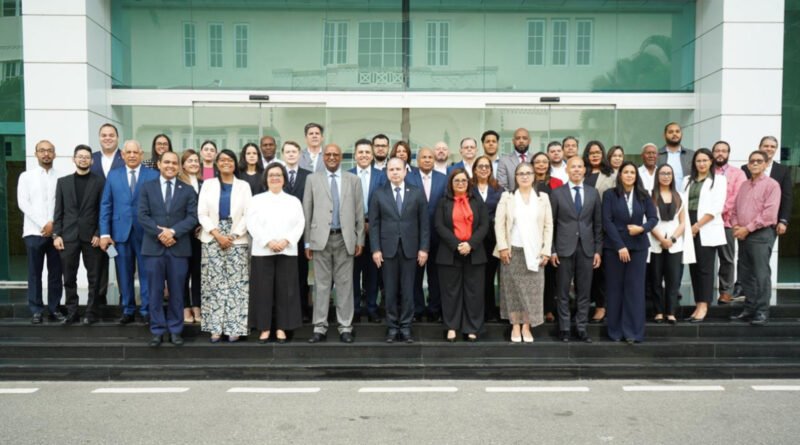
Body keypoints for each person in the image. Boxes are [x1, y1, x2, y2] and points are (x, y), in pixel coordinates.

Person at [303, 143, 365, 344]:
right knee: (321, 285)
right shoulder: (312, 179)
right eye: (328, 154)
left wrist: (359, 239)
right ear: (323, 157)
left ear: (341, 157)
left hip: (345, 239)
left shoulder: (353, 180)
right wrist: (307, 243)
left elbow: (359, 212)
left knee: (345, 285)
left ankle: (345, 327)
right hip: (320, 239)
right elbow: (307, 211)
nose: (331, 157)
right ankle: (319, 327)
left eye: (335, 154)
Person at [138, 151, 199, 347]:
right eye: (167, 162)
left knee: (177, 292)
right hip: (153, 248)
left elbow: (193, 217)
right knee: (155, 292)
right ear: (159, 164)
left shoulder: (187, 190)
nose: (170, 166)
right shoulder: (147, 187)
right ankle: (157, 330)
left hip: (178, 248)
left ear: (178, 166)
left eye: (174, 163)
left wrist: (173, 232)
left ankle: (175, 330)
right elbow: (142, 215)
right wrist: (160, 234)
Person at [370, 157, 430, 343]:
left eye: (398, 169)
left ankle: (405, 327)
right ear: (387, 172)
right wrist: (375, 249)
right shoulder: (379, 193)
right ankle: (392, 327)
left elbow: (424, 223)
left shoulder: (417, 193)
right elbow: (374, 225)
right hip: (387, 250)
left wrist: (424, 248)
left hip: (411, 250)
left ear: (405, 171)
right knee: (389, 290)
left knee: (408, 290)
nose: (395, 172)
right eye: (391, 169)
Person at [99, 140, 160, 324]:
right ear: (123, 155)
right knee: (124, 273)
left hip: (146, 233)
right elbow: (106, 205)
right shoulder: (113, 175)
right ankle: (128, 309)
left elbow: (158, 206)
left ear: (141, 154)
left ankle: (146, 310)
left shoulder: (153, 175)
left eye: (135, 152)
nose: (132, 155)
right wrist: (104, 234)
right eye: (129, 152)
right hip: (120, 233)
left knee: (146, 273)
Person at [494, 162, 553, 343]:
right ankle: (515, 325)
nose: (525, 176)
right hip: (512, 251)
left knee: (532, 293)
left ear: (534, 176)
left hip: (535, 253)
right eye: (521, 173)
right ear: (516, 177)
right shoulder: (507, 197)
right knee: (512, 291)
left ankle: (526, 325)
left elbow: (548, 226)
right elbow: (499, 224)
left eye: (528, 173)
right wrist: (503, 247)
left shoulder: (542, 198)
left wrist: (546, 250)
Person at [198, 149, 252, 343]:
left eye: (230, 159)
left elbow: (248, 213)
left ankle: (234, 327)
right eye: (222, 160)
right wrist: (217, 234)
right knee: (214, 284)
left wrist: (233, 235)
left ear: (235, 163)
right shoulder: (208, 184)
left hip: (237, 236)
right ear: (217, 163)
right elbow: (202, 213)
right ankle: (215, 328)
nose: (226, 162)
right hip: (212, 236)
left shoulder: (244, 186)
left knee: (237, 284)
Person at [247, 163, 305, 343]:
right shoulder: (256, 200)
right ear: (266, 179)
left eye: (278, 175)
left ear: (284, 179)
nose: (275, 178)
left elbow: (300, 223)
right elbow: (251, 223)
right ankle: (264, 328)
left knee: (286, 291)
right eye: (271, 175)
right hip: (263, 250)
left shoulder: (293, 201)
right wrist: (268, 241)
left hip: (287, 250)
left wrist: (286, 240)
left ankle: (282, 328)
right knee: (263, 291)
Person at [602, 162, 657, 343]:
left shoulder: (644, 195)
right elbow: (607, 221)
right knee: (615, 288)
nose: (629, 175)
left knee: (635, 290)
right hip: (614, 248)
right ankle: (616, 331)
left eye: (632, 172)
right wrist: (620, 246)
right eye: (625, 172)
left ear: (636, 176)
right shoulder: (610, 195)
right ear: (620, 175)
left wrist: (642, 229)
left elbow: (653, 218)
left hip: (638, 247)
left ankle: (633, 332)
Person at [550, 156, 602, 343]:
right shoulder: (557, 193)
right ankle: (564, 328)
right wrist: (552, 250)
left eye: (580, 167)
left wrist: (598, 250)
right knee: (563, 291)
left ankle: (581, 327)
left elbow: (598, 224)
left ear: (584, 170)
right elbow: (551, 224)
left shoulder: (593, 193)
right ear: (567, 170)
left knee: (584, 291)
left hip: (587, 249)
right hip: (563, 248)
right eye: (573, 167)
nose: (577, 170)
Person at [435, 169, 490, 342]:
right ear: (451, 184)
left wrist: (470, 244)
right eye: (456, 181)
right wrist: (457, 244)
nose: (460, 183)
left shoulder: (477, 201)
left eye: (464, 180)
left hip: (474, 253)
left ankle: (472, 328)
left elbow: (484, 225)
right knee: (450, 292)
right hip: (450, 252)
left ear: (469, 183)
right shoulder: (443, 202)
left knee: (474, 292)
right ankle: (451, 327)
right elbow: (439, 225)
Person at [53, 145, 105, 325]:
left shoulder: (100, 182)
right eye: (80, 156)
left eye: (86, 157)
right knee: (69, 277)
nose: (83, 159)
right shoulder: (63, 182)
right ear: (73, 159)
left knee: (94, 278)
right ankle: (72, 312)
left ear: (92, 161)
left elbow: (103, 210)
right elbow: (58, 211)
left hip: (92, 237)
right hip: (68, 237)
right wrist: (56, 235)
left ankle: (91, 312)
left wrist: (99, 233)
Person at [731, 150, 781, 326]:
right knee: (745, 274)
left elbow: (769, 214)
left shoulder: (772, 185)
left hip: (760, 234)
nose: (755, 164)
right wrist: (736, 225)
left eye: (759, 161)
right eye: (752, 161)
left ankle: (761, 312)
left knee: (760, 274)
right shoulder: (744, 185)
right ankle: (749, 309)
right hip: (743, 234)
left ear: (766, 164)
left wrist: (747, 228)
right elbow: (735, 210)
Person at [17, 140, 64, 324]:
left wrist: (53, 225)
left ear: (55, 154)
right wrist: (44, 223)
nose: (46, 154)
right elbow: (23, 203)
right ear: (36, 154)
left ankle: (54, 308)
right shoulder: (26, 177)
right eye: (42, 150)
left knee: (55, 273)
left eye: (49, 151)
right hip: (33, 232)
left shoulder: (61, 177)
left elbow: (62, 205)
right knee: (35, 273)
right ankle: (36, 310)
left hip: (56, 234)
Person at [682, 148, 727, 323]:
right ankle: (697, 304)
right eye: (698, 161)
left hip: (706, 226)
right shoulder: (687, 180)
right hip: (688, 224)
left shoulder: (719, 180)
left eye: (705, 160)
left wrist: (697, 226)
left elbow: (716, 208)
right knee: (694, 268)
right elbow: (682, 205)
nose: (701, 164)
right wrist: (687, 227)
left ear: (711, 162)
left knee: (705, 268)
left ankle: (704, 305)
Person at [407, 147, 447, 322]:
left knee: (435, 275)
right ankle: (417, 309)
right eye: (424, 157)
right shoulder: (408, 177)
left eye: (430, 157)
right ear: (417, 160)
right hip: (414, 236)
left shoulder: (443, 179)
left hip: (438, 235)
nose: (427, 160)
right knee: (415, 276)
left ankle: (434, 309)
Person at [648, 164, 692, 325]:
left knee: (673, 280)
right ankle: (658, 312)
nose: (666, 176)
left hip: (675, 243)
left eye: (669, 173)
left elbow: (683, 222)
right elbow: (649, 220)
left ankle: (671, 312)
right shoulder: (650, 195)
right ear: (657, 176)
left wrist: (672, 239)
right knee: (655, 279)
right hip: (655, 242)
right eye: (662, 173)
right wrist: (661, 239)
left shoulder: (679, 195)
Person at [349, 139, 386, 323]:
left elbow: (386, 202)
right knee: (353, 272)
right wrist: (358, 224)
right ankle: (355, 308)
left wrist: (372, 222)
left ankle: (372, 307)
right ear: (355, 155)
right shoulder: (347, 175)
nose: (364, 155)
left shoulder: (382, 176)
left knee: (373, 272)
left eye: (367, 152)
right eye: (360, 152)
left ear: (372, 155)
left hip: (375, 230)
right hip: (352, 231)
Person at [582, 140, 616, 323]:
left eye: (597, 152)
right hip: (583, 227)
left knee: (600, 269)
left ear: (603, 154)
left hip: (602, 227)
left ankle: (601, 306)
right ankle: (584, 305)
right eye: (591, 152)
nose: (594, 155)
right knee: (585, 269)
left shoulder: (611, 175)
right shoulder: (582, 173)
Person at [712, 140, 747, 305]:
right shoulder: (707, 170)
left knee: (727, 258)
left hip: (726, 222)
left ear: (728, 154)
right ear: (713, 153)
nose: (720, 153)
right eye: (717, 150)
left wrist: (716, 211)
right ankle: (704, 291)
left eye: (724, 151)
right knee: (705, 259)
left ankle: (726, 291)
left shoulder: (738, 173)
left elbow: (736, 197)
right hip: (706, 223)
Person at [471, 155, 505, 322]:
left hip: (493, 239)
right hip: (473, 238)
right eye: (480, 166)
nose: (484, 169)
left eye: (487, 166)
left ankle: (490, 311)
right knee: (475, 277)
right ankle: (476, 311)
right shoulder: (468, 188)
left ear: (491, 170)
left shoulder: (499, 189)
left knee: (489, 276)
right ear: (475, 170)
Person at [282, 141, 312, 322]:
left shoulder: (309, 176)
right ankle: (284, 311)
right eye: (288, 152)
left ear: (300, 154)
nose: (291, 154)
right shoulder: (277, 174)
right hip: (280, 233)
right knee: (283, 274)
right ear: (283, 154)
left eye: (294, 151)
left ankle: (302, 310)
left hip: (302, 233)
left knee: (301, 273)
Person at [532, 152, 563, 323]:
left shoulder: (557, 183)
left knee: (550, 273)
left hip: (553, 228)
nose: (541, 165)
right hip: (533, 230)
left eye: (544, 162)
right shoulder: (528, 181)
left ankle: (549, 308)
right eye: (537, 162)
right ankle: (534, 308)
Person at [742, 136, 792, 238]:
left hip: (771, 223)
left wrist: (783, 220)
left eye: (772, 147)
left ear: (776, 149)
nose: (769, 148)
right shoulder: (746, 168)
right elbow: (743, 196)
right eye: (766, 146)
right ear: (759, 147)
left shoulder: (783, 170)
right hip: (748, 222)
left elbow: (787, 197)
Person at [177, 149, 203, 323]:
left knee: (197, 272)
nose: (193, 163)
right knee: (183, 273)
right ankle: (185, 307)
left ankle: (197, 306)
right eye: (189, 161)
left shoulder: (204, 183)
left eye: (195, 161)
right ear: (183, 165)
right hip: (182, 235)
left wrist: (203, 226)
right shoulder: (178, 183)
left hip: (200, 235)